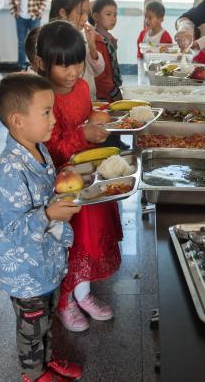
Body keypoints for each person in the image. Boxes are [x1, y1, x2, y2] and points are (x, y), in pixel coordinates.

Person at [0, 73, 82, 382]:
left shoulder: (38, 148)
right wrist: (49, 213)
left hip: (46, 262)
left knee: (46, 319)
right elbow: (14, 229)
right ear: (17, 121)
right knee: (31, 328)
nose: (54, 119)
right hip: (26, 272)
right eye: (46, 112)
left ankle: (47, 361)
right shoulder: (10, 169)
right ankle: (33, 373)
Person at [34, 21, 122, 333]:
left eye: (77, 63)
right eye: (64, 65)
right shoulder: (43, 99)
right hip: (62, 182)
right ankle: (65, 301)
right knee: (71, 244)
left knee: (91, 240)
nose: (73, 72)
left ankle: (82, 294)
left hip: (89, 174)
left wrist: (96, 123)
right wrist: (83, 134)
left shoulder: (83, 88)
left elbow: (85, 119)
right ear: (43, 63)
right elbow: (49, 146)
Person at [49, 0, 105, 101]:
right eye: (81, 13)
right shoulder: (50, 39)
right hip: (63, 102)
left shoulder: (84, 37)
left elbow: (99, 70)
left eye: (87, 13)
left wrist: (92, 47)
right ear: (63, 12)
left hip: (88, 99)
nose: (85, 18)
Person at [10, 0, 47, 71]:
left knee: (36, 42)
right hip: (20, 18)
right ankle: (21, 67)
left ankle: (36, 66)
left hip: (34, 17)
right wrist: (14, 13)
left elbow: (43, 0)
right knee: (21, 43)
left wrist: (38, 13)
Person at [91, 0, 122, 102]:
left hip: (108, 92)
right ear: (96, 16)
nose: (113, 18)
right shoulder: (97, 40)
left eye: (115, 15)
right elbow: (99, 74)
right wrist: (114, 92)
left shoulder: (108, 38)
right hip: (102, 95)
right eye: (108, 14)